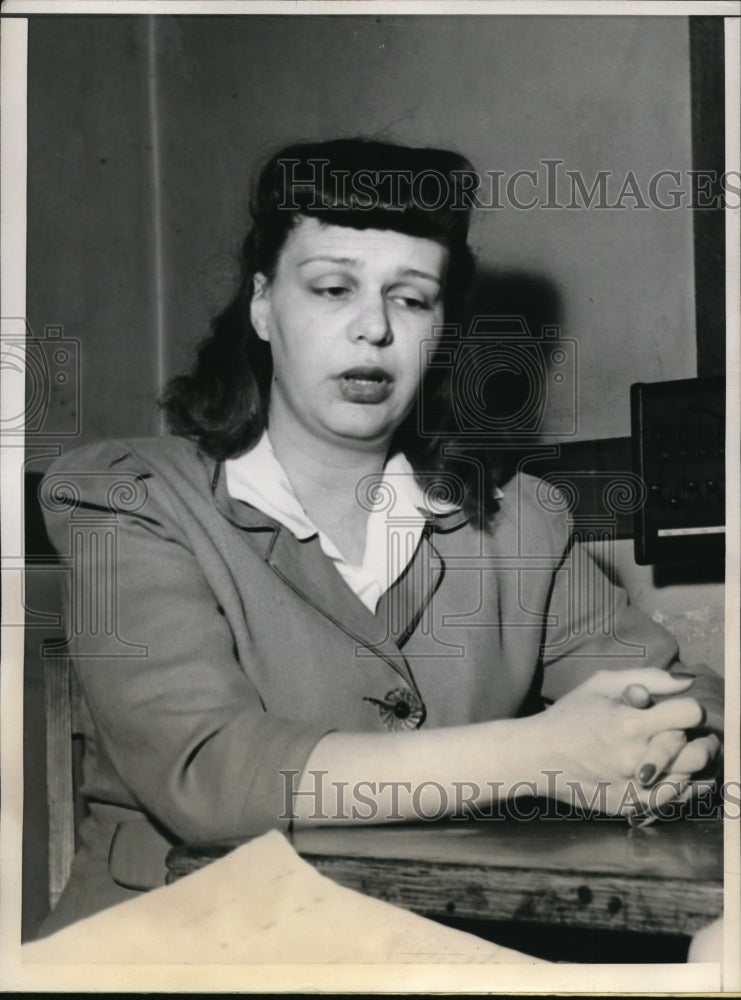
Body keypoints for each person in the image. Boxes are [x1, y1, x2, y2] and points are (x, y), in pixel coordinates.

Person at [37, 137, 723, 937]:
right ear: (261, 305)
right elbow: (210, 779)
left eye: (411, 298)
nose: (374, 330)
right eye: (332, 288)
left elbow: (685, 698)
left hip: (420, 944)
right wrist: (541, 755)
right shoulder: (130, 496)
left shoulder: (518, 519)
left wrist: (664, 747)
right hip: (171, 945)